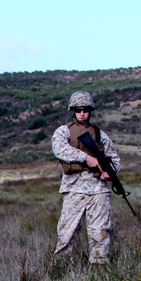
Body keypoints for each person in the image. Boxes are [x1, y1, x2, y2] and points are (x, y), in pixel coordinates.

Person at [51, 91, 121, 264]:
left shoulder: (99, 134)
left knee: (100, 231)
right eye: (78, 110)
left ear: (90, 110)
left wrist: (110, 172)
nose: (82, 113)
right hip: (74, 187)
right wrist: (86, 158)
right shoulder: (63, 131)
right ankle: (61, 267)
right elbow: (59, 149)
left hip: (98, 189)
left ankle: (99, 266)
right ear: (73, 110)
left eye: (85, 110)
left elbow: (114, 158)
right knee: (67, 231)